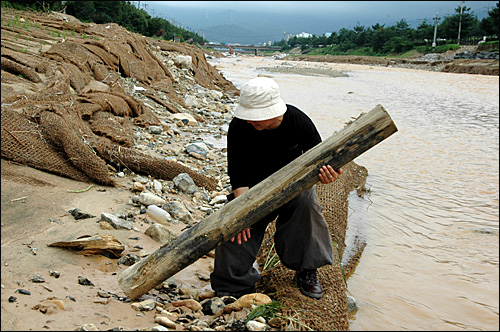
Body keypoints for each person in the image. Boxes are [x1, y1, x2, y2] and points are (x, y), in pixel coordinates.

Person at [209, 77, 342, 300]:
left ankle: (306, 270)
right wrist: (242, 211)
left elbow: (323, 160)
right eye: (247, 116)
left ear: (272, 111)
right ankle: (232, 284)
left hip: (293, 187)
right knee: (234, 226)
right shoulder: (239, 125)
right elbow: (237, 173)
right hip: (252, 190)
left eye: (255, 117)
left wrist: (330, 176)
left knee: (307, 205)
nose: (251, 121)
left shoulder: (298, 122)